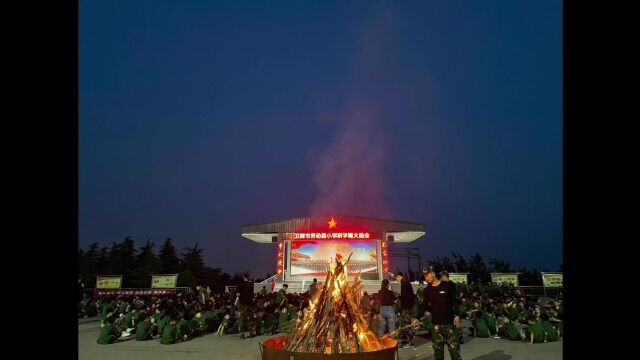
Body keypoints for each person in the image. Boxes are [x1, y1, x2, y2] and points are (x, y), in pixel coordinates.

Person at [412, 267, 461, 360]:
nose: (426, 278)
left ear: (433, 273)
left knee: (455, 354)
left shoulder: (448, 286)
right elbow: (423, 306)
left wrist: (457, 315)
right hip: (436, 327)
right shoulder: (427, 290)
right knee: (438, 355)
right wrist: (417, 317)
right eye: (424, 276)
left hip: (449, 324)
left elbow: (455, 301)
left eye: (427, 275)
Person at [395, 271, 416, 348]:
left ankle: (410, 343)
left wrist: (398, 296)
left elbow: (403, 296)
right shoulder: (407, 282)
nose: (396, 279)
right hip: (409, 306)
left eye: (396, 277)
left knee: (407, 325)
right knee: (406, 324)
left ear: (399, 276)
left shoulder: (403, 283)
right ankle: (407, 341)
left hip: (406, 307)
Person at [237, 271, 255, 339]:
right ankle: (250, 334)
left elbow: (238, 294)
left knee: (242, 319)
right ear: (248, 277)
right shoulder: (251, 284)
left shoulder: (240, 284)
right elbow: (251, 294)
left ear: (243, 276)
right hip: (249, 304)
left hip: (241, 303)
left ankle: (242, 334)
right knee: (249, 318)